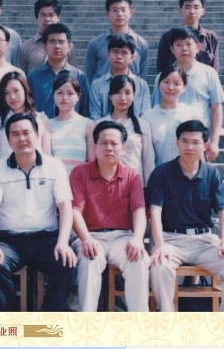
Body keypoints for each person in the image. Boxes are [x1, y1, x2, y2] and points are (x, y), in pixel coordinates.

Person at [149, 120, 224, 312]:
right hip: (171, 240)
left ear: (204, 145)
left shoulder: (211, 173)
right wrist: (160, 245)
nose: (189, 147)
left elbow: (223, 210)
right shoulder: (161, 173)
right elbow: (154, 211)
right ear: (177, 143)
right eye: (184, 141)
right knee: (159, 268)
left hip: (204, 241)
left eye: (195, 142)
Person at [0, 113, 76, 311]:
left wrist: (62, 242)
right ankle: (15, 320)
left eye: (26, 132)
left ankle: (46, 320)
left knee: (67, 263)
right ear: (8, 140)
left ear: (37, 135)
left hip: (45, 239)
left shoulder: (54, 166)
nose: (22, 138)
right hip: (10, 241)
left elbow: (65, 206)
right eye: (15, 134)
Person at [69, 121, 150, 311]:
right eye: (103, 143)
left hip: (122, 237)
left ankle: (140, 322)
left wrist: (137, 239)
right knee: (89, 260)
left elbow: (139, 210)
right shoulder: (79, 173)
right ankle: (87, 322)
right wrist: (86, 239)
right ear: (95, 146)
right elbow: (74, 211)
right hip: (89, 236)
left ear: (123, 148)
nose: (109, 148)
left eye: (114, 143)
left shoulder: (132, 176)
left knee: (138, 259)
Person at [152, 26, 224, 162]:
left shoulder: (209, 73)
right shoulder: (162, 77)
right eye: (179, 45)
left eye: (188, 44)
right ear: (171, 49)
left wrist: (214, 141)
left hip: (197, 139)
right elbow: (155, 108)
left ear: (198, 47)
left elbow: (216, 108)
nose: (184, 48)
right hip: (167, 141)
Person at [96, 75, 155, 187]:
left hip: (135, 185)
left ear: (134, 96)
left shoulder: (142, 125)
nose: (122, 98)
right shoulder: (100, 125)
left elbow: (148, 162)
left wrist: (149, 189)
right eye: (117, 92)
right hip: (106, 186)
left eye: (127, 93)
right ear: (110, 96)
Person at [142, 66, 204, 166]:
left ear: (184, 88)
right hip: (158, 173)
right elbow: (145, 156)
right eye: (166, 82)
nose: (170, 87)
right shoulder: (147, 116)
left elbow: (199, 152)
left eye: (176, 83)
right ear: (159, 84)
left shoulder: (192, 114)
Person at [85, 0, 149, 84]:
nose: (119, 14)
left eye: (123, 10)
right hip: (101, 92)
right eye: (115, 10)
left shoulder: (141, 44)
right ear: (107, 14)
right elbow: (89, 76)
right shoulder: (95, 44)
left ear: (131, 12)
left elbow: (142, 76)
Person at [28, 23, 88, 118]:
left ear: (69, 47)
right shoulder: (33, 77)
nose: (57, 46)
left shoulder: (79, 77)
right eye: (52, 41)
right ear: (44, 46)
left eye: (61, 42)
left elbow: (85, 110)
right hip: (41, 126)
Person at [0, 72, 50, 160]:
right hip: (6, 168)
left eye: (16, 90)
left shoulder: (41, 119)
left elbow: (47, 153)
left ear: (25, 90)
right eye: (7, 93)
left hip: (37, 168)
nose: (12, 97)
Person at [90, 35, 151, 120]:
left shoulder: (142, 85)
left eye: (124, 53)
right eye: (115, 51)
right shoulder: (97, 85)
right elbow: (95, 117)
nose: (119, 56)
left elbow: (145, 117)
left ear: (132, 57)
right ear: (108, 54)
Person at [157, 0, 219, 73]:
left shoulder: (211, 37)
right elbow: (162, 68)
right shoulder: (168, 37)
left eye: (196, 7)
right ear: (180, 11)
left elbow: (215, 69)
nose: (192, 11)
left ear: (202, 11)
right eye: (187, 7)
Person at [49, 73, 95, 175]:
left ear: (78, 96)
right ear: (53, 95)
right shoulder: (47, 125)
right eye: (60, 93)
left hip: (79, 181)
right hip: (55, 180)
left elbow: (92, 162)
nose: (64, 97)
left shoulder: (88, 125)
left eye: (70, 93)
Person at [17, 0, 67, 76]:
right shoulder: (25, 48)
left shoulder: (67, 46)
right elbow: (21, 77)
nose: (47, 19)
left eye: (51, 15)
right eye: (43, 15)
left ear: (58, 17)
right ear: (36, 17)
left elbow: (73, 76)